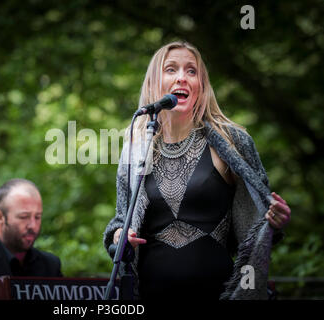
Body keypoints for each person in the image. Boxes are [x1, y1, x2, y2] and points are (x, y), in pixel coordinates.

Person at [103, 41, 291, 300]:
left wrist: (273, 221)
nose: (182, 77)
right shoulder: (136, 146)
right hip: (148, 293)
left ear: (201, 87)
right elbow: (120, 220)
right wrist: (119, 236)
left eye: (191, 71)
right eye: (171, 69)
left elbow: (257, 218)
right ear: (152, 84)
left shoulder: (232, 142)